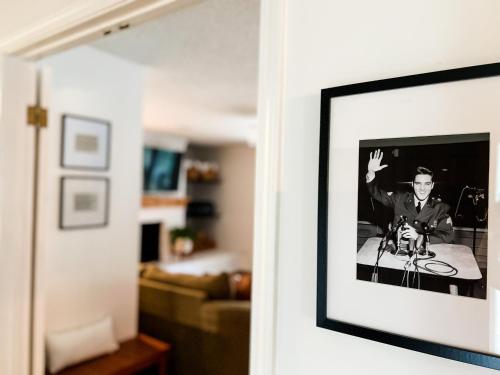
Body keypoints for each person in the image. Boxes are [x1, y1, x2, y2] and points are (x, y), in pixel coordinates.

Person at [366, 149, 454, 244]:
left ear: (432, 185)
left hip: (426, 254)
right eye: (418, 184)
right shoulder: (399, 198)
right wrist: (371, 172)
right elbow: (377, 194)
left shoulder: (440, 207)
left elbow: (448, 236)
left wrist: (419, 237)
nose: (422, 188)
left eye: (427, 184)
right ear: (412, 184)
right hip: (398, 251)